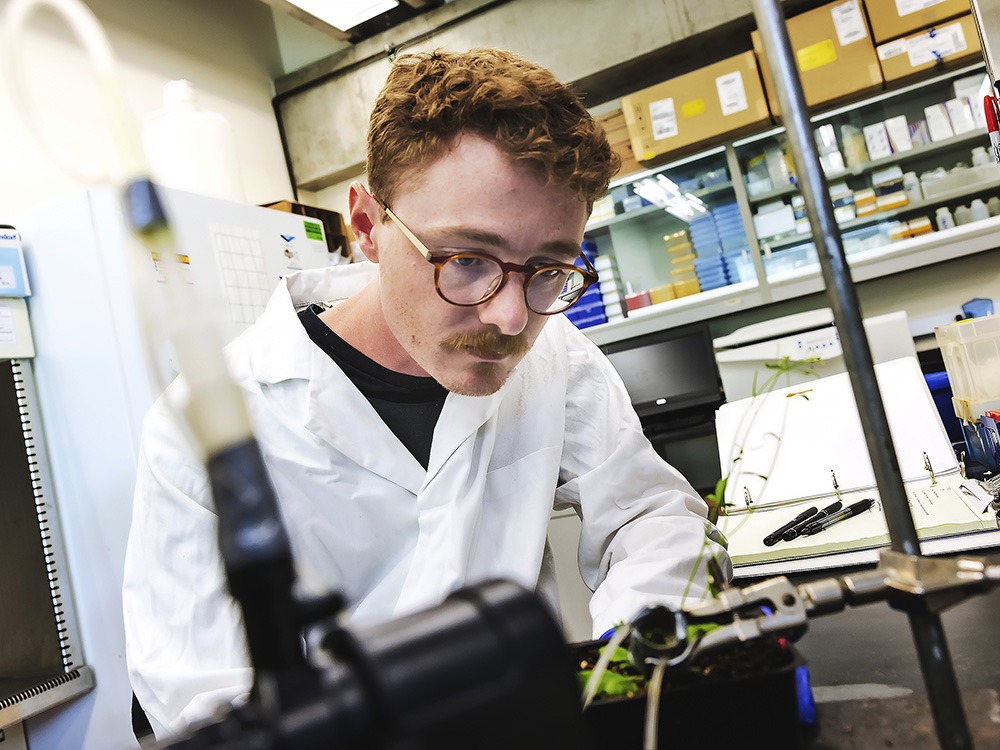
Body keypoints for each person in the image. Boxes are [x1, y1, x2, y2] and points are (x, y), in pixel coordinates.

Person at [122, 47, 731, 739]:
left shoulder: (554, 355)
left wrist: (639, 660)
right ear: (365, 227)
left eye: (547, 269)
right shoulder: (202, 424)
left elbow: (646, 516)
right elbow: (199, 698)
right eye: (466, 260)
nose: (509, 317)